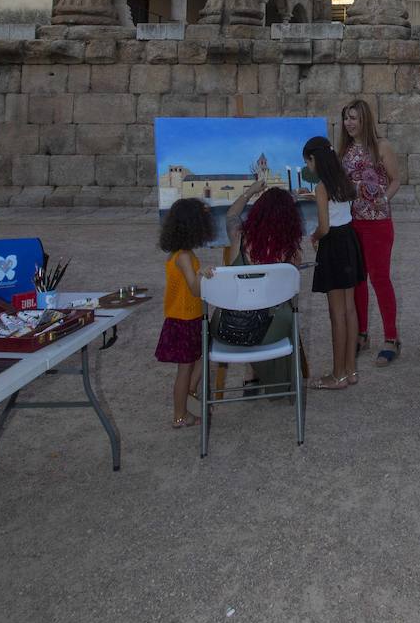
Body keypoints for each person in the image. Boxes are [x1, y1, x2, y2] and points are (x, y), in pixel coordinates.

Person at [223, 183, 306, 393]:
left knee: (248, 303)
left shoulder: (238, 237)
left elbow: (231, 214)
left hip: (233, 327)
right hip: (273, 330)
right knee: (276, 307)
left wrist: (249, 191)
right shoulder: (292, 253)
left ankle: (250, 374)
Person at [339, 99, 402, 366]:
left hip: (377, 223)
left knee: (379, 279)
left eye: (353, 118)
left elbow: (397, 179)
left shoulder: (381, 146)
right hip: (352, 223)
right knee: (358, 281)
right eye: (346, 118)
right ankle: (361, 334)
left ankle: (391, 338)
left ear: (365, 119)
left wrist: (383, 200)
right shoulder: (345, 150)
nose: (349, 123)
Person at [302, 135, 366, 391]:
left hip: (334, 246)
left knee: (336, 314)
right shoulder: (343, 181)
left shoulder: (321, 187)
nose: (308, 166)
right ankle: (350, 370)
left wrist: (314, 236)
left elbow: (325, 227)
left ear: (314, 158)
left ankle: (337, 375)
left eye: (307, 162)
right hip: (349, 241)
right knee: (350, 310)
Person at [154, 197, 215, 429]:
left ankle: (191, 389)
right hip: (185, 319)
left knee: (201, 354)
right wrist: (204, 274)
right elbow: (194, 288)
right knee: (186, 367)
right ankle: (180, 415)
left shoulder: (178, 254)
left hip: (185, 317)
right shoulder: (185, 257)